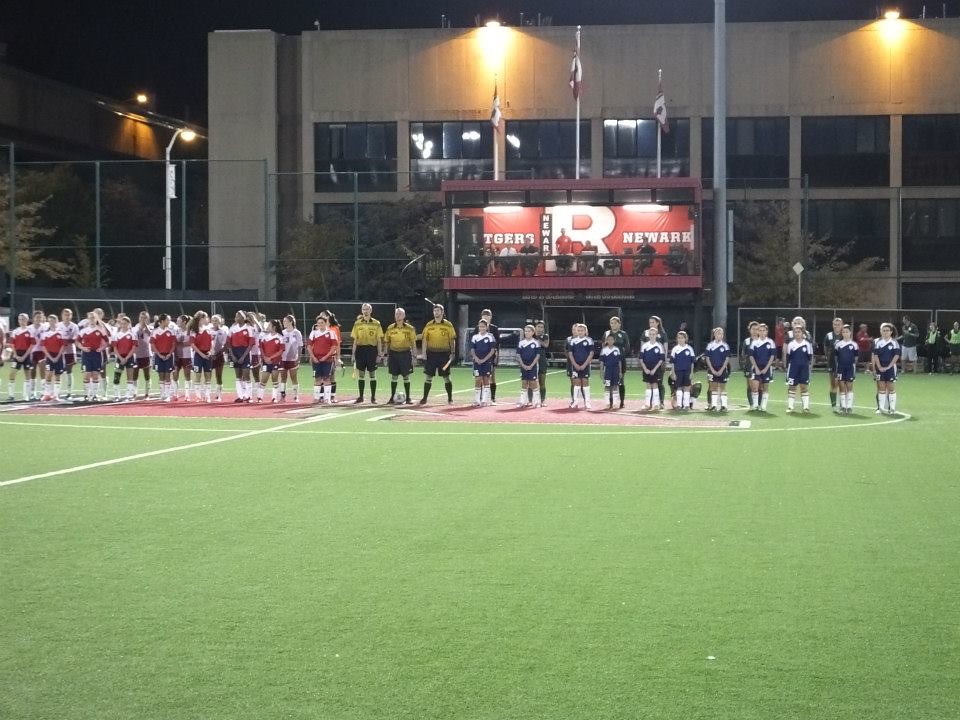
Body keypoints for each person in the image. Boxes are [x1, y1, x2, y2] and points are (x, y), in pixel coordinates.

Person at [419, 304, 456, 405]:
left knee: (446, 377)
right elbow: (424, 339)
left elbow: (452, 339)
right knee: (428, 377)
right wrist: (423, 353)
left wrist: (453, 352)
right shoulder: (429, 325)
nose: (436, 312)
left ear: (442, 312)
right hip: (431, 354)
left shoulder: (448, 325)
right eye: (435, 311)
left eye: (438, 310)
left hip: (444, 355)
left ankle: (450, 398)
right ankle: (424, 398)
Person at [350, 303, 384, 404]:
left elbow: (379, 340)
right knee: (361, 374)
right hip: (360, 350)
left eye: (367, 309)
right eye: (364, 309)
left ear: (371, 311)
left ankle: (373, 397)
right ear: (361, 310)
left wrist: (379, 354)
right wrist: (353, 354)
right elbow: (355, 340)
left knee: (372, 374)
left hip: (371, 350)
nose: (365, 311)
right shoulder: (357, 323)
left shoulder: (376, 323)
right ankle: (361, 396)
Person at [383, 307, 417, 404]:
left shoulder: (409, 328)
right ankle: (391, 397)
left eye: (400, 314)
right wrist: (385, 355)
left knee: (406, 376)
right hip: (393, 354)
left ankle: (408, 398)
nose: (398, 316)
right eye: (396, 314)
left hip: (405, 354)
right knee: (394, 376)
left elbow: (413, 343)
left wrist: (414, 356)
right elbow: (387, 343)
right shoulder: (390, 328)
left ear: (404, 316)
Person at [78, 311, 111, 402]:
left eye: (93, 317)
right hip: (86, 354)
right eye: (90, 318)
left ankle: (94, 395)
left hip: (97, 354)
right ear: (87, 319)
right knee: (87, 374)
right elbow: (77, 342)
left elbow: (108, 342)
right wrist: (83, 348)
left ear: (96, 319)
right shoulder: (84, 330)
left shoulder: (100, 329)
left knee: (95, 374)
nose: (91, 319)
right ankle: (86, 395)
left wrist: (102, 348)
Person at [307, 314, 339, 404]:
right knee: (317, 379)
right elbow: (309, 346)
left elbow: (334, 346)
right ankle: (316, 398)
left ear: (326, 323)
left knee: (326, 378)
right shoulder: (313, 333)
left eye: (322, 323)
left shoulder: (331, 333)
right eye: (318, 323)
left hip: (327, 360)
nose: (320, 325)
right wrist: (313, 357)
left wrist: (326, 356)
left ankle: (327, 398)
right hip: (316, 360)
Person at [6, 313, 37, 401]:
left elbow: (32, 345)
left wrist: (25, 356)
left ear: (27, 320)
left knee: (27, 374)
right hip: (17, 354)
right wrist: (16, 355)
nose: (21, 321)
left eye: (23, 319)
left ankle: (26, 396)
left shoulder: (31, 331)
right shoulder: (15, 331)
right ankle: (11, 396)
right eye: (20, 319)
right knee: (12, 373)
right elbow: (12, 344)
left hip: (27, 355)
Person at [784, 325, 814, 413]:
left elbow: (810, 357)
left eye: (799, 332)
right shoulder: (791, 344)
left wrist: (810, 367)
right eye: (795, 332)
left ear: (802, 333)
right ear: (793, 333)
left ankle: (805, 407)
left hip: (804, 368)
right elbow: (788, 357)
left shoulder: (807, 344)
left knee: (804, 387)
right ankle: (790, 407)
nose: (797, 334)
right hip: (793, 368)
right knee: (792, 387)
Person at [873, 322, 901, 414]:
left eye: (887, 330)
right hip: (880, 369)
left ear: (891, 332)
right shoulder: (878, 342)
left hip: (891, 368)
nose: (885, 332)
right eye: (884, 330)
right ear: (881, 332)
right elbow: (875, 355)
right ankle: (881, 408)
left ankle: (892, 408)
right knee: (881, 388)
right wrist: (879, 367)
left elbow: (896, 356)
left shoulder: (894, 342)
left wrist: (889, 366)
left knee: (891, 387)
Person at [748, 323, 777, 412]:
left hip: (767, 368)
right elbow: (751, 356)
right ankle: (756, 405)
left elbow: (772, 357)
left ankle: (763, 406)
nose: (761, 332)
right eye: (760, 330)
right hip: (756, 367)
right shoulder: (754, 342)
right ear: (758, 332)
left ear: (767, 331)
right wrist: (756, 368)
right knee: (754, 387)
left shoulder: (770, 342)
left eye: (763, 330)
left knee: (765, 387)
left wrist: (766, 368)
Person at [227, 311, 255, 403]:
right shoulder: (232, 328)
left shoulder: (249, 328)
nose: (236, 317)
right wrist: (232, 355)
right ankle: (240, 396)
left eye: (238, 316)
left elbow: (250, 344)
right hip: (235, 352)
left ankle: (249, 396)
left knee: (246, 375)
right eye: (236, 316)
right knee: (238, 376)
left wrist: (244, 356)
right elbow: (229, 343)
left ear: (243, 318)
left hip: (245, 352)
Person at [603, 316, 630, 409]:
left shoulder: (623, 334)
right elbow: (603, 346)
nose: (613, 325)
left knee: (620, 381)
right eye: (611, 323)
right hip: (609, 362)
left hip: (620, 361)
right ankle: (610, 401)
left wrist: (619, 356)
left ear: (619, 324)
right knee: (609, 382)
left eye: (615, 323)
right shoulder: (606, 333)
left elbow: (627, 348)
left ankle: (621, 401)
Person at [566, 322, 594, 410]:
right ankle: (575, 401)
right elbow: (570, 354)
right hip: (575, 365)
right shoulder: (573, 341)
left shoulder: (589, 340)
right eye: (578, 330)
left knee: (585, 383)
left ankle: (587, 402)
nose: (580, 332)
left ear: (585, 331)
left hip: (585, 365)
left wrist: (585, 364)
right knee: (576, 384)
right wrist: (575, 364)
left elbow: (591, 353)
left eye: (582, 330)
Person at [474, 309, 500, 403]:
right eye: (484, 316)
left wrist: (496, 354)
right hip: (479, 355)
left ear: (490, 317)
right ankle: (480, 397)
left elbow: (497, 343)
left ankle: (492, 397)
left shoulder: (494, 328)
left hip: (490, 355)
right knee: (479, 377)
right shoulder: (478, 328)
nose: (486, 318)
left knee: (491, 376)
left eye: (487, 316)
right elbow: (473, 342)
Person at [110, 315, 138, 401]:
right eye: (122, 323)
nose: (124, 325)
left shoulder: (133, 335)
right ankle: (116, 395)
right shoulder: (116, 335)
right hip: (119, 358)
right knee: (117, 377)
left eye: (125, 323)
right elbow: (115, 348)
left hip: (129, 358)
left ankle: (128, 396)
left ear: (129, 324)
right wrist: (121, 358)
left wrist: (126, 358)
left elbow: (134, 348)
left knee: (130, 377)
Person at [150, 314, 177, 402]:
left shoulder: (171, 331)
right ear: (162, 321)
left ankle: (167, 395)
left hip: (168, 356)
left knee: (168, 375)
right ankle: (162, 394)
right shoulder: (155, 331)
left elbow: (174, 344)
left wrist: (169, 354)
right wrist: (159, 354)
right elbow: (152, 345)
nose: (169, 322)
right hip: (158, 356)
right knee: (161, 375)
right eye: (167, 320)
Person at [258, 319, 287, 403]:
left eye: (269, 325)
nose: (267, 327)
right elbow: (261, 348)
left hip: (276, 361)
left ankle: (274, 397)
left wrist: (270, 358)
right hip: (265, 361)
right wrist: (265, 358)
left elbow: (281, 351)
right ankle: (260, 397)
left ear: (274, 327)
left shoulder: (280, 337)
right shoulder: (264, 337)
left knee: (275, 378)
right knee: (264, 379)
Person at [39, 315, 66, 402]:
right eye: (50, 320)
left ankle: (55, 395)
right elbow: (43, 347)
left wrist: (58, 356)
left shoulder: (61, 333)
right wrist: (50, 357)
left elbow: (63, 346)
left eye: (53, 320)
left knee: (58, 375)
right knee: (48, 374)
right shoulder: (45, 333)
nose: (51, 322)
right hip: (49, 356)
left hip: (59, 355)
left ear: (56, 321)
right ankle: (47, 394)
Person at [470, 318, 496, 406]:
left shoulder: (490, 336)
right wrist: (476, 358)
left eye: (483, 326)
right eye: (480, 326)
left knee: (486, 379)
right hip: (477, 362)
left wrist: (484, 359)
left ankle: (485, 400)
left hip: (487, 361)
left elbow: (492, 350)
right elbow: (472, 349)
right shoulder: (475, 337)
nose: (481, 328)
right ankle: (477, 400)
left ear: (486, 327)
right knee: (478, 379)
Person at [704, 327, 730, 412]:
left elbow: (727, 359)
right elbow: (707, 358)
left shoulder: (725, 346)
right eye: (718, 333)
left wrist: (722, 369)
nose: (720, 335)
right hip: (712, 369)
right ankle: (714, 405)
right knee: (713, 387)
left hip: (722, 369)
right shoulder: (710, 345)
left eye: (722, 334)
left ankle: (724, 406)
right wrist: (712, 369)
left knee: (722, 387)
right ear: (714, 335)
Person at [834, 324, 859, 414]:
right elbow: (836, 357)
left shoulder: (854, 345)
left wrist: (852, 364)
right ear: (842, 333)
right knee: (841, 387)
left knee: (849, 387)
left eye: (847, 332)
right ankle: (843, 407)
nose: (845, 333)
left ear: (850, 333)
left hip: (850, 368)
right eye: (843, 332)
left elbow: (856, 357)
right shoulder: (838, 344)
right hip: (840, 368)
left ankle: (849, 406)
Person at [639, 327, 665, 411]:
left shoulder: (659, 346)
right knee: (648, 386)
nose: (652, 336)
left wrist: (654, 369)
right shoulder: (645, 346)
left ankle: (656, 404)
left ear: (656, 335)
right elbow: (641, 359)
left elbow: (661, 359)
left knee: (655, 385)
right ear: (648, 335)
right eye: (650, 334)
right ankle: (647, 404)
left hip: (656, 369)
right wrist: (645, 368)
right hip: (646, 368)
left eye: (653, 334)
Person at [319, 310, 343, 402]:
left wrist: (338, 358)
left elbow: (337, 344)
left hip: (331, 355)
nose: (321, 317)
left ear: (328, 317)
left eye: (323, 315)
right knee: (320, 376)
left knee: (331, 376)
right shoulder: (317, 327)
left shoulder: (334, 328)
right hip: (320, 355)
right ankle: (321, 396)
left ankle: (332, 396)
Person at [670, 330, 696, 411]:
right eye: (679, 338)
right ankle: (679, 405)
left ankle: (686, 405)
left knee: (687, 388)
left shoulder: (689, 348)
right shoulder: (675, 349)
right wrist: (673, 372)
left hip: (687, 371)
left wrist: (692, 372)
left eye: (682, 338)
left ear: (686, 339)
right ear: (677, 339)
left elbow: (692, 362)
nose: (680, 339)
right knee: (678, 388)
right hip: (678, 371)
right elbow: (672, 363)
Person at [516, 324, 542, 407]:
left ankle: (537, 402)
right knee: (524, 383)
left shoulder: (536, 342)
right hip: (523, 365)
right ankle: (523, 401)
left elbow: (538, 355)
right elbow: (518, 355)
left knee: (533, 383)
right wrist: (522, 364)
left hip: (533, 366)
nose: (526, 333)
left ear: (533, 332)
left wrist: (531, 365)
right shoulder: (521, 342)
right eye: (525, 331)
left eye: (528, 331)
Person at [280, 315, 304, 403]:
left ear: (291, 322)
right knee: (283, 377)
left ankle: (295, 396)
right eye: (283, 321)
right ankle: (282, 396)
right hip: (283, 358)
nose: (284, 323)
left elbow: (300, 346)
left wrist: (299, 358)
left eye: (285, 321)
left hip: (293, 358)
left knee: (294, 377)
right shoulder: (282, 332)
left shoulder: (296, 332)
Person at [823, 317, 845, 412]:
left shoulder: (845, 334)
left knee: (843, 385)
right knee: (834, 384)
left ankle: (843, 405)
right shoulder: (829, 335)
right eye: (835, 324)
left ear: (842, 325)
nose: (837, 326)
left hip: (844, 364)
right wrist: (829, 359)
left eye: (839, 324)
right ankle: (834, 406)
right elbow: (826, 348)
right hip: (833, 364)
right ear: (832, 325)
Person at [58, 308, 80, 399]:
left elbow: (75, 339)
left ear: (71, 316)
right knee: (59, 371)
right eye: (65, 314)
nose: (67, 316)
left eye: (68, 314)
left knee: (69, 371)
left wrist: (64, 341)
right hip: (59, 351)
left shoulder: (74, 326)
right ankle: (59, 391)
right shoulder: (58, 325)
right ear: (62, 315)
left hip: (70, 351)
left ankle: (69, 391)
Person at [133, 311, 154, 399]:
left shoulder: (150, 327)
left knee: (147, 375)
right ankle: (134, 393)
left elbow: (151, 335)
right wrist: (140, 329)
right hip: (136, 354)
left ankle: (147, 393)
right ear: (139, 318)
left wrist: (145, 327)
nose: (143, 319)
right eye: (141, 317)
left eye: (145, 318)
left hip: (146, 353)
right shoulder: (135, 328)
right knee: (135, 374)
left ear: (147, 319)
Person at [648, 315, 668, 408]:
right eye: (650, 322)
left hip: (659, 362)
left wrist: (664, 360)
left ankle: (661, 401)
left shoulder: (663, 334)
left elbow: (665, 348)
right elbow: (643, 346)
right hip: (648, 362)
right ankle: (651, 401)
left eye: (652, 322)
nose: (651, 324)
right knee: (649, 382)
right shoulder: (646, 333)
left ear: (657, 323)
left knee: (659, 382)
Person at [598, 332, 622, 410]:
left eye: (612, 339)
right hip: (607, 370)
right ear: (606, 341)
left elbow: (619, 361)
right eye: (609, 339)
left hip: (615, 370)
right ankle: (607, 403)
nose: (610, 341)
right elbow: (601, 362)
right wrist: (601, 372)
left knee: (615, 386)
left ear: (614, 340)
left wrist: (620, 371)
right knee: (607, 386)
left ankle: (615, 403)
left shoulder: (616, 349)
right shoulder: (604, 350)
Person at [209, 314, 229, 402]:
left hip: (219, 355)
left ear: (220, 321)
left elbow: (225, 345)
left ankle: (218, 395)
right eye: (213, 320)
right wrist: (209, 353)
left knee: (218, 375)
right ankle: (207, 394)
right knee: (207, 375)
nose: (214, 322)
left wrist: (218, 353)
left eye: (216, 320)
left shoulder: (223, 332)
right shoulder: (208, 331)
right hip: (209, 355)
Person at [534, 320, 550, 405]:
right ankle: (530, 400)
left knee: (542, 381)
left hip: (542, 361)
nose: (540, 328)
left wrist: (538, 339)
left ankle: (542, 400)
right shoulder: (531, 334)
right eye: (538, 326)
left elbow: (546, 345)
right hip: (531, 360)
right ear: (535, 327)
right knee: (531, 381)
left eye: (541, 327)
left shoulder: (545, 336)